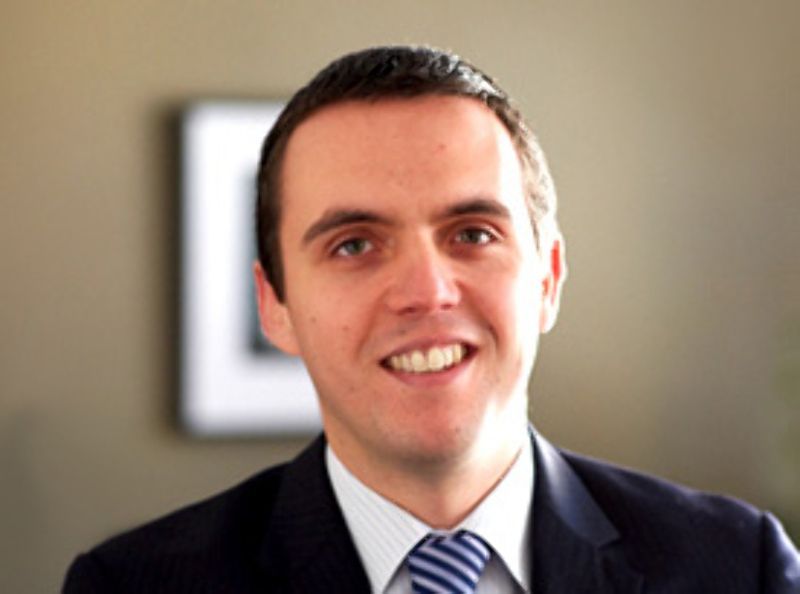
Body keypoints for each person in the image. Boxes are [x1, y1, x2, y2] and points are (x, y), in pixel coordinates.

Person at [64, 45, 799, 593]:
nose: (426, 291)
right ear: (275, 307)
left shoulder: (741, 567)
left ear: (547, 279)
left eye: (472, 233)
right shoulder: (131, 586)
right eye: (354, 245)